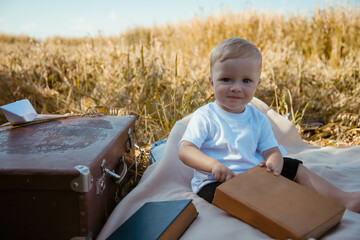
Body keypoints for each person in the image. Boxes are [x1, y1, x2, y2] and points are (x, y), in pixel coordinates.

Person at [178, 37, 360, 213]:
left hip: (254, 177)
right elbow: (186, 149)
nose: (236, 87)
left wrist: (273, 167)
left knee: (293, 166)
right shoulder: (205, 116)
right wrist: (213, 165)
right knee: (242, 198)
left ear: (257, 84)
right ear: (211, 82)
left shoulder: (258, 118)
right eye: (226, 79)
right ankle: (282, 209)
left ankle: (344, 199)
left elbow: (272, 151)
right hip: (217, 182)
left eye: (246, 81)